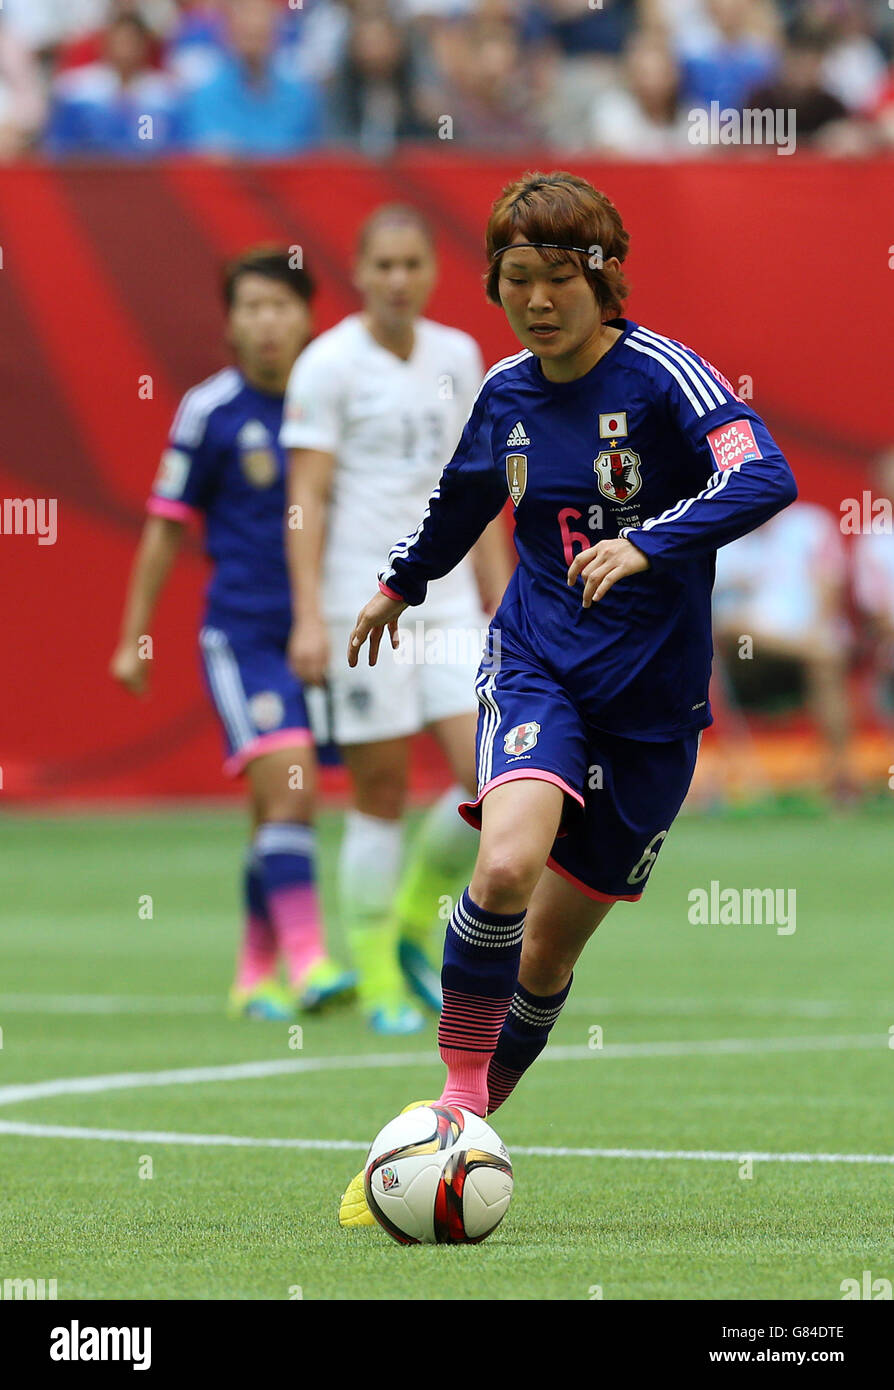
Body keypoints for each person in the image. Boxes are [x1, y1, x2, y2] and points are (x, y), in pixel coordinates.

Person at [338, 169, 797, 1227]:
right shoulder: (503, 392)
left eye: (556, 278)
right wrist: (400, 586)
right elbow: (462, 500)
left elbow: (762, 473)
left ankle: (449, 1144)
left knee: (547, 952)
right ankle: (453, 1101)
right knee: (503, 862)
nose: (536, 301)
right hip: (541, 666)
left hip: (654, 709)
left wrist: (650, 543)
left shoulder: (662, 377)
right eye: (514, 280)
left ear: (602, 280)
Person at [282, 204, 515, 1036]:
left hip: (449, 599)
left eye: (412, 263)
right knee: (379, 789)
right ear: (358, 269)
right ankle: (377, 967)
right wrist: (309, 613)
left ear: (431, 270)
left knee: (489, 780)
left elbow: (481, 489)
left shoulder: (460, 356)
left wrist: (505, 598)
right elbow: (305, 496)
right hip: (361, 601)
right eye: (383, 265)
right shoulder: (328, 365)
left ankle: (419, 913)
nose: (397, 280)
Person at [111, 246, 354, 1021]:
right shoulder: (210, 411)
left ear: (309, 316)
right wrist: (133, 637)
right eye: (251, 308)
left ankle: (256, 972)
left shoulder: (336, 401)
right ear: (231, 324)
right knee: (292, 783)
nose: (267, 323)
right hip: (243, 634)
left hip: (326, 633)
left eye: (281, 306)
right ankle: (313, 961)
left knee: (274, 807)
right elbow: (164, 526)